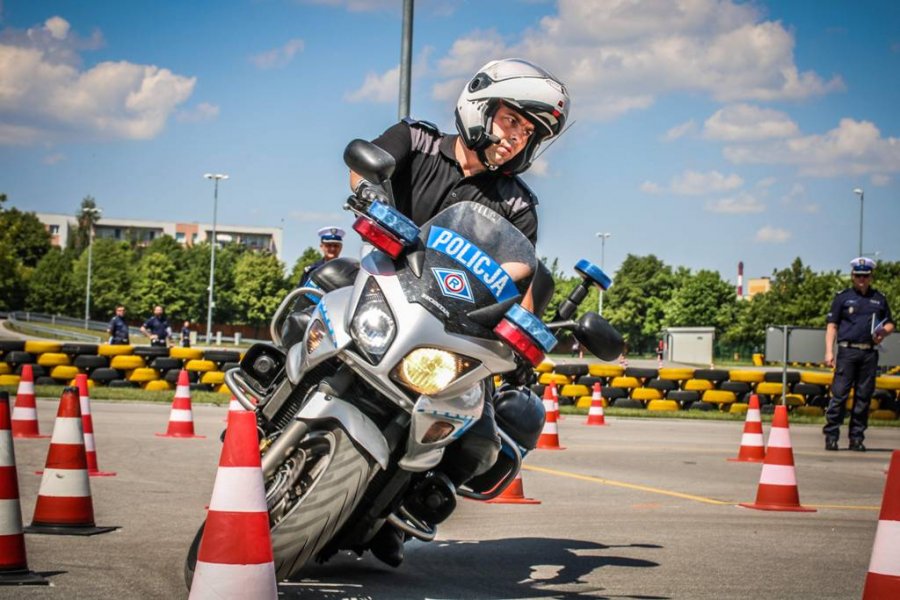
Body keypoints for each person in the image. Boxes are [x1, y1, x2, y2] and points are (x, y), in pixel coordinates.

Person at [348, 57, 570, 567]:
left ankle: (395, 512)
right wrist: (370, 192)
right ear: (480, 105)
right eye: (513, 120)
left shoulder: (517, 205)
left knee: (485, 435)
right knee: (320, 287)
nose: (517, 138)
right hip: (380, 284)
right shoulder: (416, 139)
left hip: (450, 327)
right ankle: (269, 395)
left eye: (529, 132)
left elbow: (523, 275)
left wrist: (525, 330)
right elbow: (366, 164)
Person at [823, 257, 894, 452]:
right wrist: (829, 351)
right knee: (839, 395)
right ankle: (831, 435)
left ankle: (856, 438)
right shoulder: (843, 297)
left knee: (863, 397)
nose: (862, 279)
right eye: (858, 275)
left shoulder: (879, 299)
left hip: (869, 353)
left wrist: (883, 332)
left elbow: (890, 322)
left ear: (871, 277)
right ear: (853, 276)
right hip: (847, 351)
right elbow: (832, 325)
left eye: (865, 275)